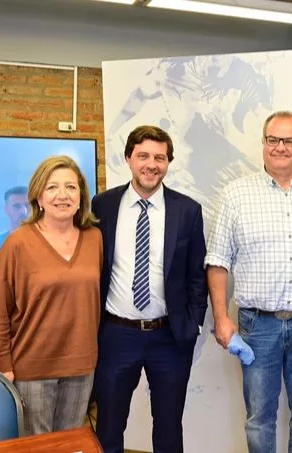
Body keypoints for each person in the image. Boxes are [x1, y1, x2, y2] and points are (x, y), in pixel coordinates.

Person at [206, 110, 292, 453]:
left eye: (289, 140)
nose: (281, 147)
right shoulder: (235, 195)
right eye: (273, 139)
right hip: (257, 326)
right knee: (259, 418)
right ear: (263, 143)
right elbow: (217, 262)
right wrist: (220, 318)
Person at [92, 125, 207, 453]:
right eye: (143, 156)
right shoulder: (103, 206)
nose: (151, 165)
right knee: (109, 428)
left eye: (160, 157)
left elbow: (196, 276)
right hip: (116, 335)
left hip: (168, 336)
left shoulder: (187, 210)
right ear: (128, 158)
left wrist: (193, 324)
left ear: (168, 162)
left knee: (169, 430)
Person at [0, 155, 102, 435]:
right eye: (52, 187)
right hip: (32, 368)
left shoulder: (94, 238)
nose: (62, 195)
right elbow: (0, 311)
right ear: (38, 197)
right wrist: (3, 365)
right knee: (38, 446)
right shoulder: (17, 243)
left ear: (81, 196)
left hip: (81, 365)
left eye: (71, 187)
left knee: (70, 443)